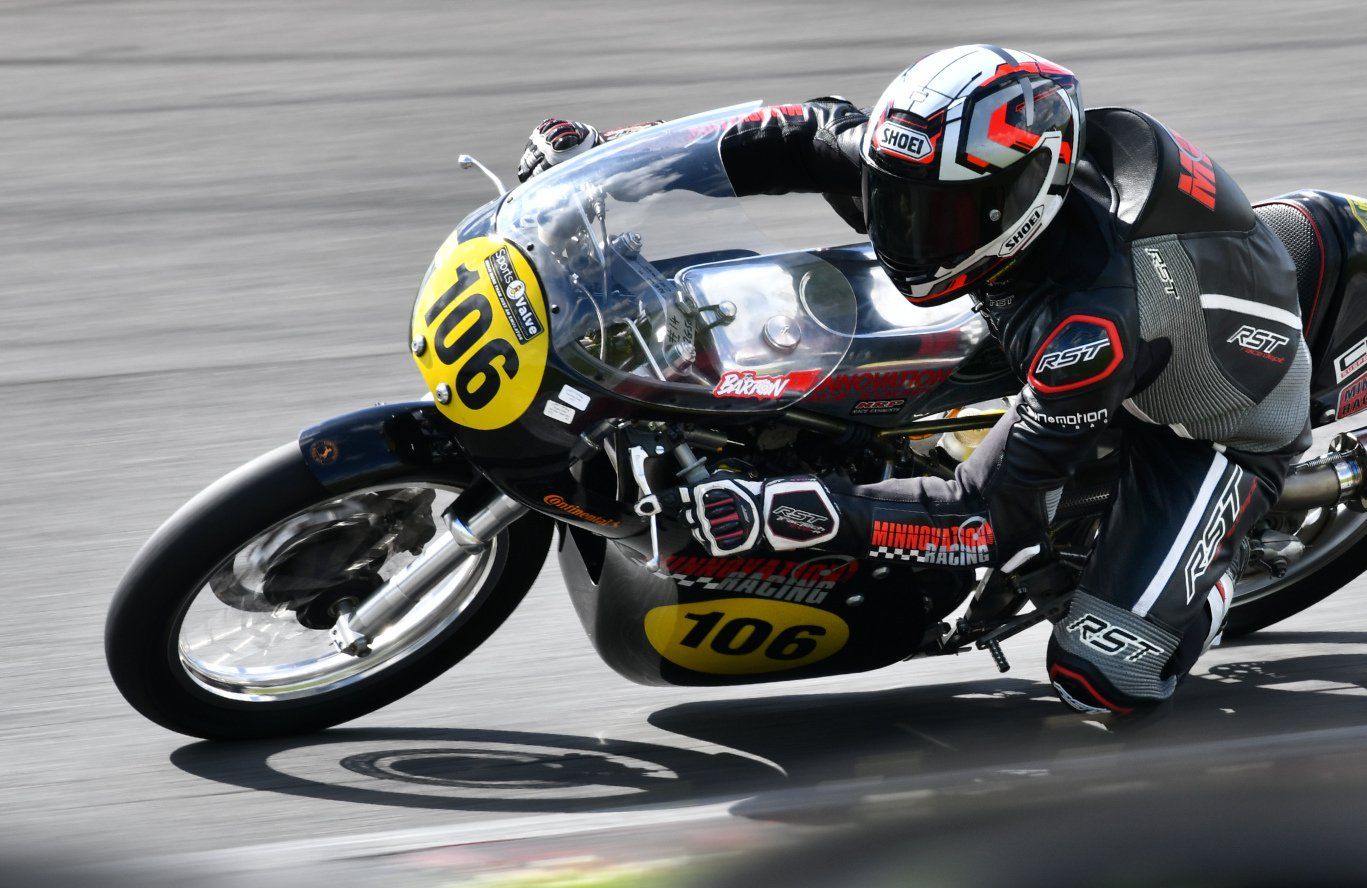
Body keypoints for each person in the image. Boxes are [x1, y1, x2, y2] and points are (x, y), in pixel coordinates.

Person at [517, 45, 1310, 715]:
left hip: (1210, 419)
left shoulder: (1086, 330)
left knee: (1106, 672)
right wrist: (612, 160)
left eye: (937, 215)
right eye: (893, 200)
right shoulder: (957, 177)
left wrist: (788, 509)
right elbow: (801, 132)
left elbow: (986, 520)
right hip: (1103, 313)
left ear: (1020, 200)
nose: (905, 230)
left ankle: (1213, 563)